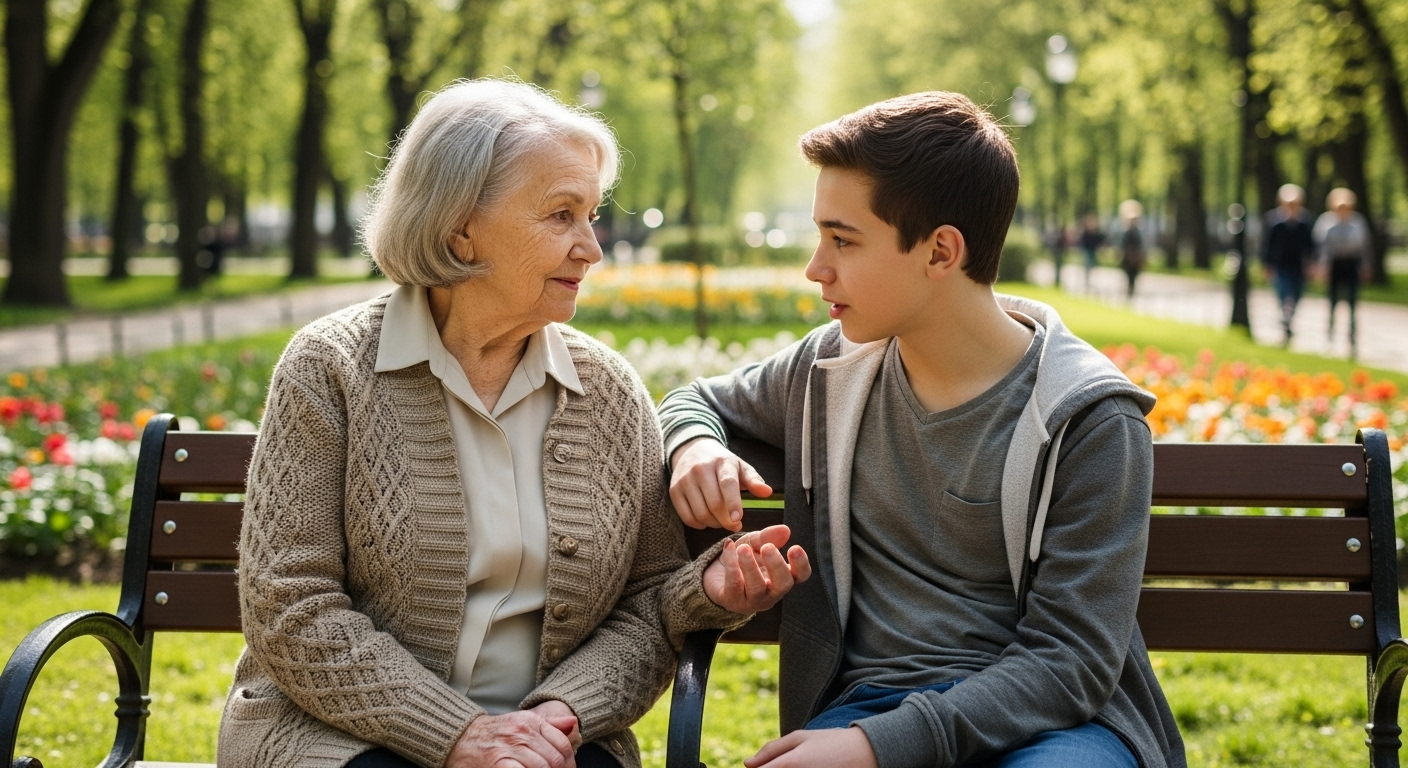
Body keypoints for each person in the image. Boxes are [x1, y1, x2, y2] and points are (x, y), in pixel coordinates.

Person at [217, 80, 809, 768]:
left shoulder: (607, 391)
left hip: (549, 741)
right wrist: (459, 735)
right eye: (561, 215)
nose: (592, 248)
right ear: (459, 227)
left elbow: (649, 605)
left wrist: (557, 719)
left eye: (591, 215)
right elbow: (290, 606)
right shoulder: (331, 367)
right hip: (346, 735)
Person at [658, 92, 1184, 768]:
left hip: (1056, 729)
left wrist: (878, 750)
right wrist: (696, 442)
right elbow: (693, 398)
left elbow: (1070, 663)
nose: (816, 268)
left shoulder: (1088, 417)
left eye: (843, 240)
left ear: (940, 251)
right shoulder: (829, 367)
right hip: (867, 710)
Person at [1313, 187, 1374, 356]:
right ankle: (1329, 337)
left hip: (1351, 263)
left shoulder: (1357, 222)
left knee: (1353, 302)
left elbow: (1364, 247)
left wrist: (1366, 265)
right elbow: (1321, 247)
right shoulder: (1326, 222)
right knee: (1332, 302)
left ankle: (1352, 339)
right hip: (1334, 264)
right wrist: (1321, 267)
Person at [1261, 183, 1315, 345]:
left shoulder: (1304, 222)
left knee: (1297, 294)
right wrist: (1267, 265)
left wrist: (1311, 264)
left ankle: (1288, 320)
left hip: (1298, 265)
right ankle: (1285, 321)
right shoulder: (1274, 222)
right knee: (1284, 293)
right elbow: (1267, 245)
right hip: (1280, 265)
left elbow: (1310, 245)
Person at [1117, 199, 1145, 300]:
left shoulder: (1137, 232)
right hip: (1129, 257)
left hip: (1134, 257)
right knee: (1129, 275)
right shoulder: (1128, 232)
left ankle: (1131, 291)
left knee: (1133, 275)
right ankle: (1129, 291)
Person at [1077, 212, 1104, 292]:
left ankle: (1091, 282)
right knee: (1087, 266)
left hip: (1093, 251)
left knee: (1093, 266)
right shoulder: (1085, 233)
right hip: (1087, 251)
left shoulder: (1095, 232)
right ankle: (1086, 282)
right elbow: (1082, 242)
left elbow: (1099, 241)